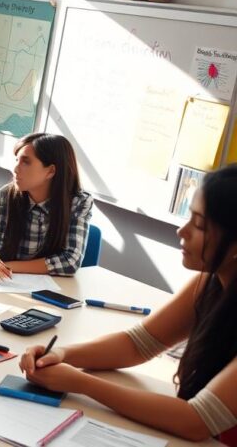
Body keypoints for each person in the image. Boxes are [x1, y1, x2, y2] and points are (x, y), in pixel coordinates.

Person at [19, 165, 237, 444]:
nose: (181, 231)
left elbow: (196, 421)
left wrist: (79, 382)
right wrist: (62, 354)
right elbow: (138, 344)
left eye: (200, 225)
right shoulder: (210, 282)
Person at [0, 133, 94, 279]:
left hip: (53, 290)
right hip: (5, 286)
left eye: (26, 162)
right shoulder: (3, 198)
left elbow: (71, 261)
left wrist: (7, 267)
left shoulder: (78, 202)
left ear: (50, 171)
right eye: (16, 160)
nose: (15, 168)